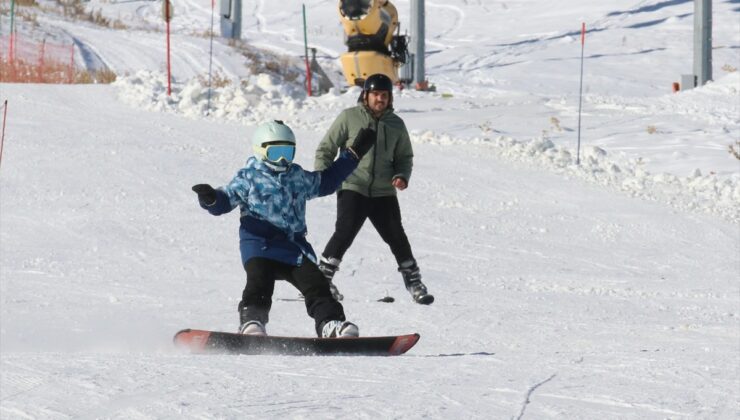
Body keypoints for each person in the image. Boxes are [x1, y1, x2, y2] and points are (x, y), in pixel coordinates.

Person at [192, 120, 376, 338]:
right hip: (260, 244)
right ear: (261, 151)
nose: (282, 159)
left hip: (293, 248)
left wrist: (353, 154)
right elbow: (225, 201)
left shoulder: (296, 176)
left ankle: (331, 324)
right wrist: (211, 198)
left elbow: (327, 182)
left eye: (287, 153)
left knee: (317, 284)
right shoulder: (248, 178)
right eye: (276, 152)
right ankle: (252, 322)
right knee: (259, 282)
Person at [314, 73, 434, 305]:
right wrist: (324, 176)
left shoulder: (396, 125)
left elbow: (404, 157)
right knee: (345, 231)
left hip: (383, 191)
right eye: (376, 94)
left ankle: (414, 282)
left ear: (390, 98)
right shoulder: (349, 118)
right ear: (366, 95)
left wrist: (401, 175)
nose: (380, 99)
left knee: (396, 236)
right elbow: (326, 149)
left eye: (384, 95)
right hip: (352, 185)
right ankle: (322, 280)